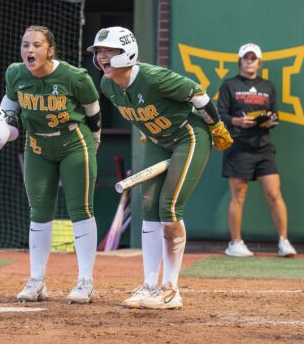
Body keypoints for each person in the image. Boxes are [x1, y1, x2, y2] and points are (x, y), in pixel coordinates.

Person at [89, 26, 233, 310]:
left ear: (127, 52)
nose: (102, 57)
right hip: (157, 139)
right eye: (99, 52)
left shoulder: (155, 78)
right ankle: (150, 284)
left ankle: (170, 289)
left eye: (109, 51)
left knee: (169, 206)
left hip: (187, 135)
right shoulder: (107, 85)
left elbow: (199, 96)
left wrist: (216, 125)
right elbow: (138, 111)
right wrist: (148, 128)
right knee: (148, 206)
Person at [1, 25, 102, 304]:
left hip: (73, 143)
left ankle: (85, 281)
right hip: (37, 146)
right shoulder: (15, 73)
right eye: (25, 45)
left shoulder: (74, 76)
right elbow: (9, 108)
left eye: (36, 45)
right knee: (39, 211)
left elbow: (93, 109)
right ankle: (37, 280)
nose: (29, 50)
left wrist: (94, 140)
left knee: (80, 209)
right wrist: (1, 128)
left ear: (50, 50)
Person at [217, 43, 297, 258]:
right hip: (238, 146)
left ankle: (283, 241)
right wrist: (237, 121)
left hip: (263, 147)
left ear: (259, 63)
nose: (249, 61)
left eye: (253, 58)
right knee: (238, 195)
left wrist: (270, 121)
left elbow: (275, 114)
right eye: (246, 57)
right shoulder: (229, 85)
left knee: (274, 194)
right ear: (240, 61)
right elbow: (220, 114)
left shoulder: (268, 86)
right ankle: (235, 243)